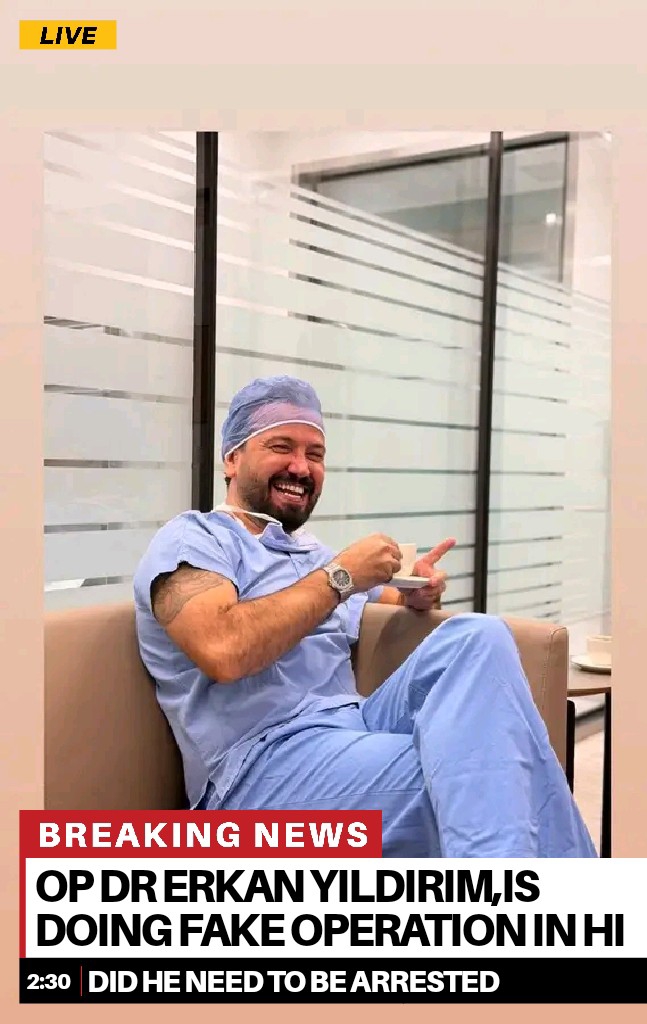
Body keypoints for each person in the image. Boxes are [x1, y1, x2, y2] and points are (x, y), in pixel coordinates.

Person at [134, 375, 597, 858]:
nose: (301, 466)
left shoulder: (308, 555)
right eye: (281, 447)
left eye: (315, 454)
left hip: (354, 724)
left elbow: (376, 601)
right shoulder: (194, 539)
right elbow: (223, 649)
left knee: (478, 635)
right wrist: (340, 575)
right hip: (257, 768)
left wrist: (417, 592)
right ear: (232, 459)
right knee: (485, 770)